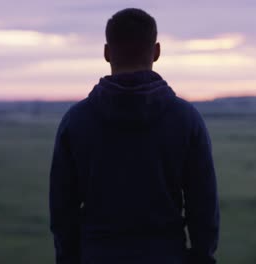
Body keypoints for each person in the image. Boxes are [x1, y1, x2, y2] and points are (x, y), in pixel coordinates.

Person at [49, 8, 220, 264]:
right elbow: (203, 207)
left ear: (106, 53)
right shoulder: (186, 119)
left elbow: (62, 210)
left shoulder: (76, 121)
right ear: (156, 51)